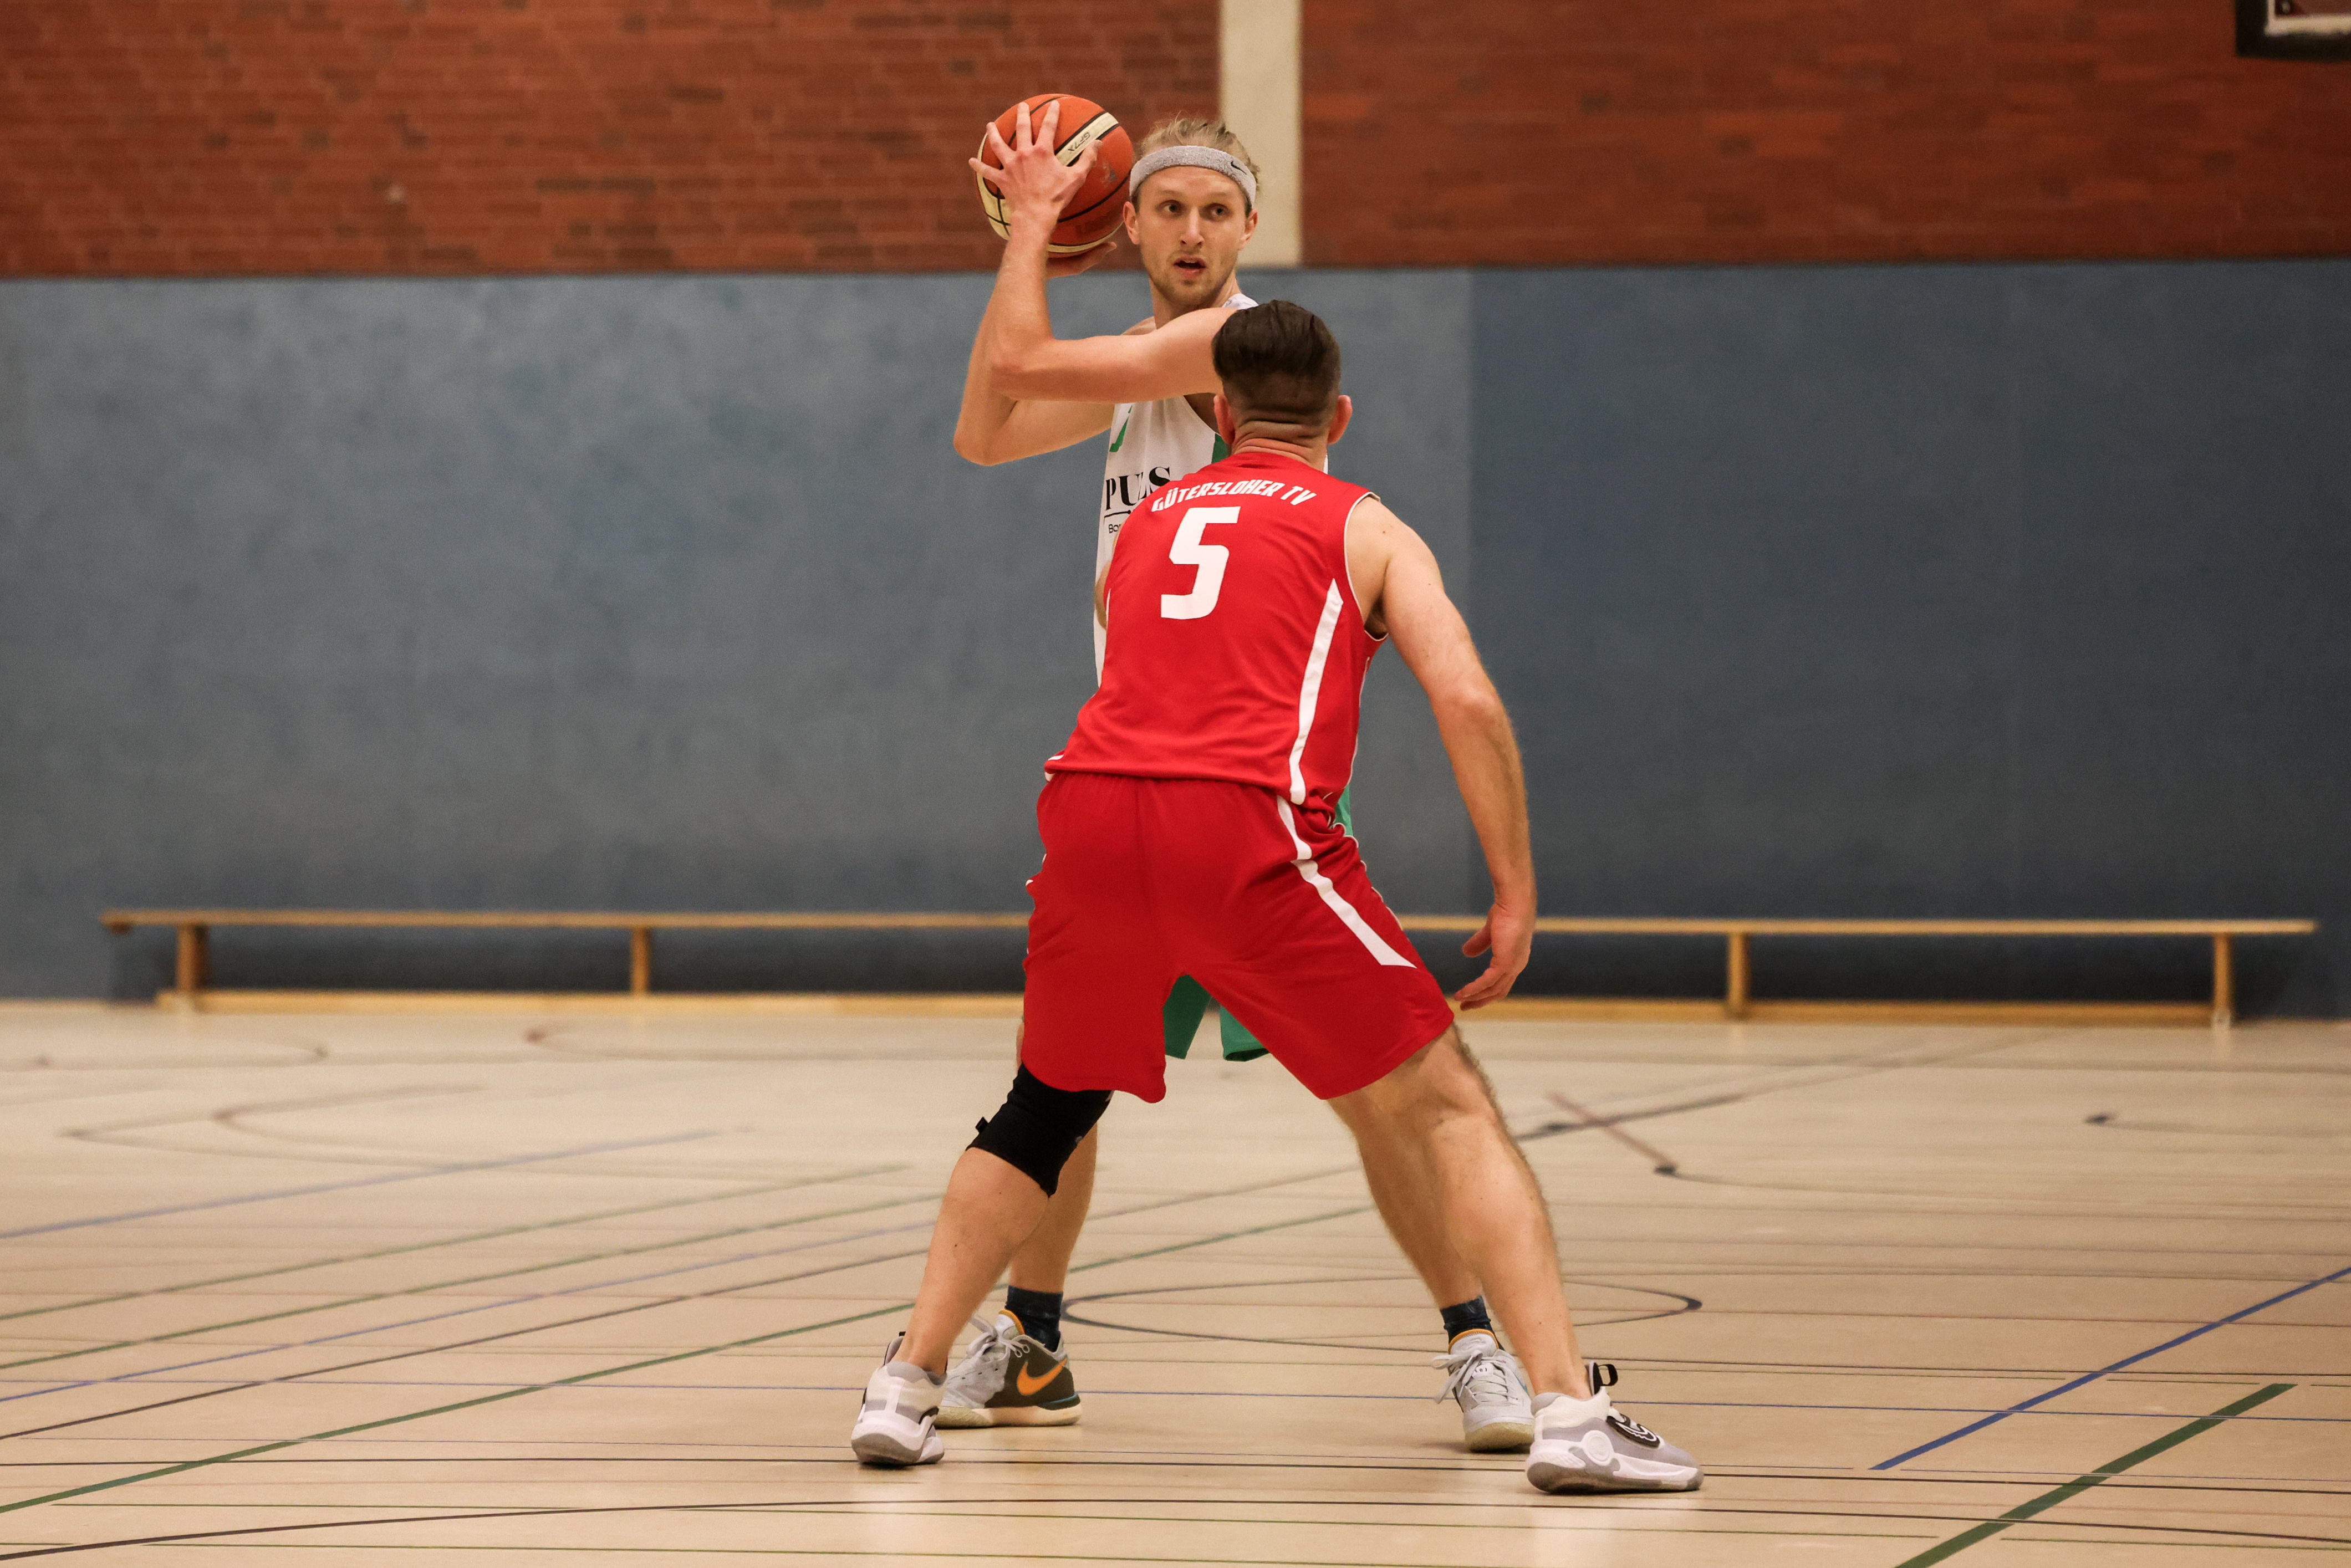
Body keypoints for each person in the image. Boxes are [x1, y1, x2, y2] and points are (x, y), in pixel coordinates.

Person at [855, 302, 1703, 1496]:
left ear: (1220, 411)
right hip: (1248, 830)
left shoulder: (1152, 520)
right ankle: (1568, 1408)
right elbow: (1465, 697)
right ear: (1338, 416)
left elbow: (1121, 629)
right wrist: (1514, 887)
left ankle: (903, 1384)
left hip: (1091, 820)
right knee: (1448, 1107)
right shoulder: (1366, 523)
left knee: (1040, 1109)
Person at [949, 102, 1526, 1450]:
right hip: (1140, 781)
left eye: (1216, 211)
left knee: (1376, 1091)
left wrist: (1029, 224)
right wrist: (1028, 250)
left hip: (1252, 790)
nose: (1193, 232)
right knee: (1063, 1079)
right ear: (1133, 223)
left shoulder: (1230, 348)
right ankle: (1032, 1340)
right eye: (1168, 208)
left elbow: (1019, 359)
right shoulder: (1134, 377)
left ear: (1250, 228)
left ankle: (1478, 1339)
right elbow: (985, 426)